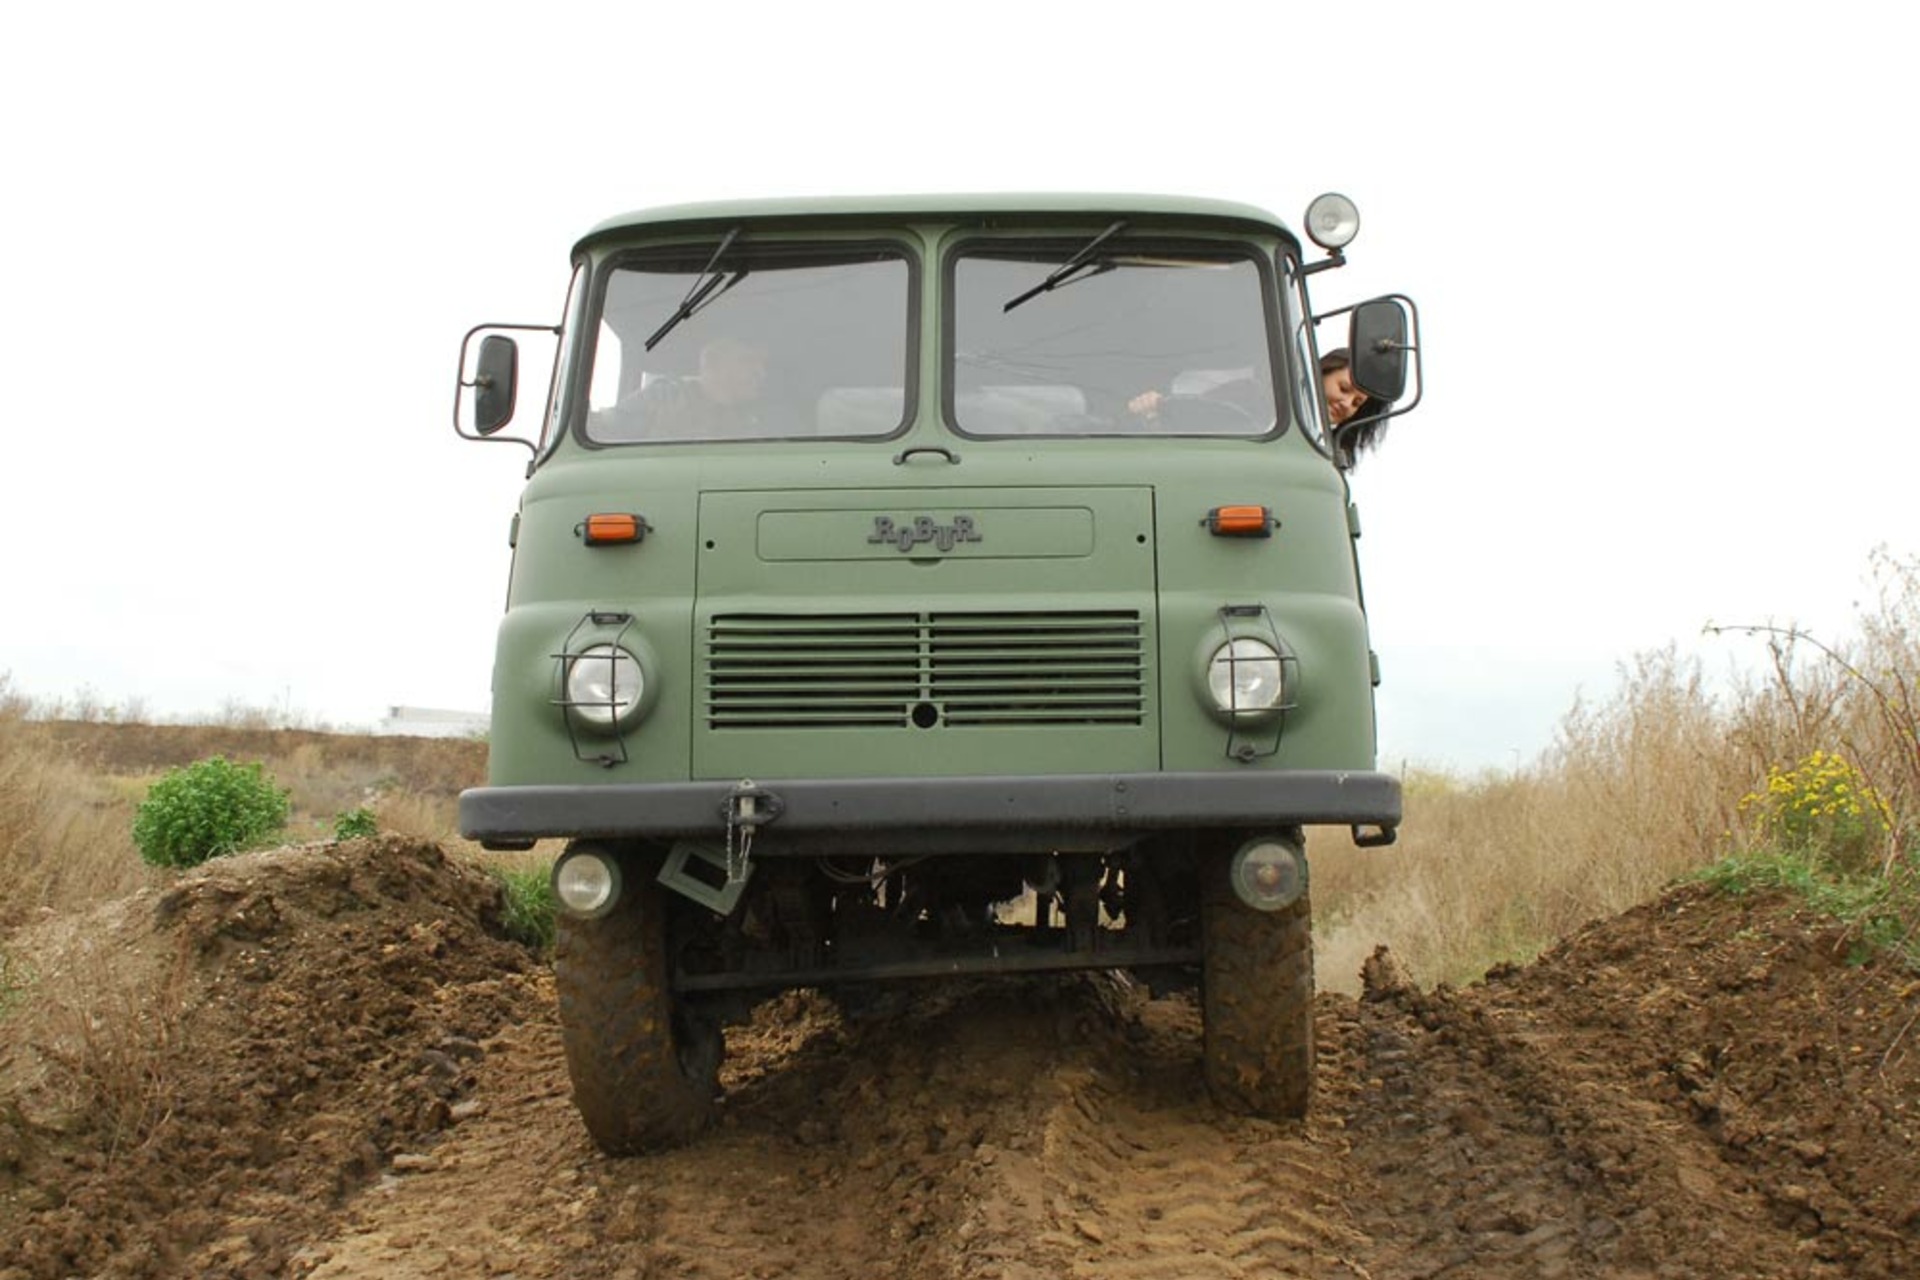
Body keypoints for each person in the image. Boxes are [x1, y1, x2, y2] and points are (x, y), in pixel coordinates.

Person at [613, 336, 770, 439]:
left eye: (763, 364)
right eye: (748, 360)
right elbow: (604, 432)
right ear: (712, 362)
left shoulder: (756, 419)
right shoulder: (663, 397)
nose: (760, 373)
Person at [1321, 346, 1390, 464]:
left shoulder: (1327, 458)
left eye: (1356, 403)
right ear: (1321, 372)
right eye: (1344, 388)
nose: (1347, 405)